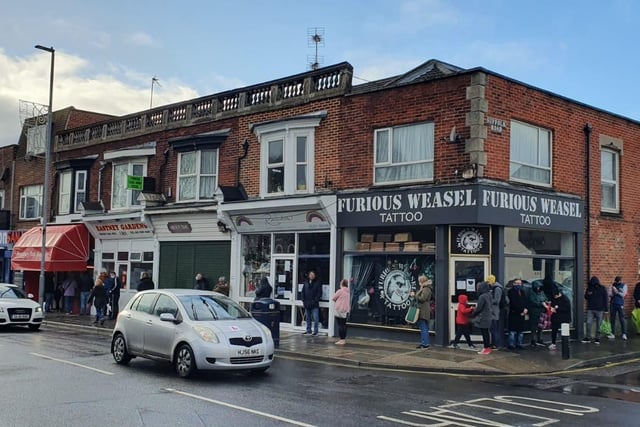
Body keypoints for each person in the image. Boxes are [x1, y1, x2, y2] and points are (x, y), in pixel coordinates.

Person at [582, 276, 608, 344]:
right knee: (588, 323)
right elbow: (586, 297)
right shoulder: (589, 288)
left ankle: (597, 338)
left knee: (598, 325)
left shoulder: (602, 288)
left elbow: (605, 299)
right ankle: (588, 337)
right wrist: (588, 293)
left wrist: (606, 309)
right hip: (591, 308)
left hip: (600, 309)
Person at [410, 274, 433, 349]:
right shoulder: (424, 288)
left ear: (422, 281)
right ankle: (424, 342)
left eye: (419, 281)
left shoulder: (426, 289)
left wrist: (414, 296)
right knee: (424, 327)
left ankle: (425, 343)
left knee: (423, 327)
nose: (418, 283)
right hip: (423, 310)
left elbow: (422, 298)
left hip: (423, 310)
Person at [507, 278, 529, 350]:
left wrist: (525, 309)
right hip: (514, 313)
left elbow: (526, 301)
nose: (519, 285)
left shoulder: (522, 292)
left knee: (520, 331)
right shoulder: (511, 292)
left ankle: (519, 344)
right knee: (512, 331)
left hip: (522, 314)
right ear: (513, 284)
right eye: (517, 283)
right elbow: (513, 303)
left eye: (520, 283)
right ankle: (511, 345)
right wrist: (521, 310)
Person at [547, 286, 571, 351]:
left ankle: (565, 344)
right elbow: (552, 305)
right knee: (554, 330)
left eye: (555, 296)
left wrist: (557, 309)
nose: (554, 297)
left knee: (564, 332)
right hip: (556, 317)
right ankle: (553, 343)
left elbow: (567, 309)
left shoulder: (565, 299)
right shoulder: (554, 298)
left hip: (564, 318)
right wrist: (552, 309)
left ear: (559, 294)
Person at [472, 281, 493, 355]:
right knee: (486, 333)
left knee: (484, 333)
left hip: (483, 317)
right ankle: (487, 348)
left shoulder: (482, 296)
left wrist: (473, 314)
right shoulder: (489, 295)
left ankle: (486, 348)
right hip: (488, 317)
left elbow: (479, 308)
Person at [301, 269, 322, 336]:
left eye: (313, 275)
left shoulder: (317, 283)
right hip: (307, 303)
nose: (311, 276)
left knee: (316, 318)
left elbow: (319, 293)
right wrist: (303, 300)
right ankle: (308, 330)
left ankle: (315, 331)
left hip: (314, 304)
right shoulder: (306, 282)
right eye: (310, 275)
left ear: (315, 276)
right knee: (308, 318)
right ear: (309, 276)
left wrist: (315, 300)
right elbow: (303, 291)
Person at [487, 274, 506, 349]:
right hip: (494, 311)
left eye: (489, 281)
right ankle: (494, 343)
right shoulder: (495, 288)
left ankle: (496, 344)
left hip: (495, 312)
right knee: (493, 329)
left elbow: (497, 301)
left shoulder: (497, 288)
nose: (488, 283)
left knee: (494, 329)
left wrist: (488, 299)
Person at [528, 280, 548, 346]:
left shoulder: (542, 292)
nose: (538, 288)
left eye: (539, 287)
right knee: (534, 327)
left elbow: (545, 299)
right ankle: (533, 340)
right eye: (537, 287)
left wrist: (546, 303)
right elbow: (532, 301)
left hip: (541, 311)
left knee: (541, 326)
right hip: (534, 312)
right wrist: (541, 304)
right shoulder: (531, 293)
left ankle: (540, 339)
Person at [608, 276, 628, 340]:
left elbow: (623, 295)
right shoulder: (612, 285)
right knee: (612, 319)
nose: (618, 282)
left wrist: (617, 292)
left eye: (619, 281)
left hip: (620, 304)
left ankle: (624, 334)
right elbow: (609, 294)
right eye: (617, 281)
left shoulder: (624, 285)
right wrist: (612, 291)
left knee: (622, 319)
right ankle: (612, 333)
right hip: (613, 304)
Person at [332, 279, 350, 345]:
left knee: (340, 325)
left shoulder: (340, 291)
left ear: (341, 284)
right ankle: (343, 339)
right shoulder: (348, 292)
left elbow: (333, 298)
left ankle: (341, 340)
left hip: (339, 309)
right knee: (344, 325)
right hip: (345, 310)